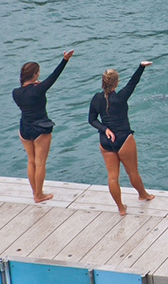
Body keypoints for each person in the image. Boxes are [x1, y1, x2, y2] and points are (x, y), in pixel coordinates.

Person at [88, 62, 155, 216]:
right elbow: (133, 82)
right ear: (116, 83)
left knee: (112, 177)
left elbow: (92, 120)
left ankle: (120, 208)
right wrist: (141, 67)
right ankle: (143, 194)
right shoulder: (120, 97)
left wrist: (105, 129)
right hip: (123, 138)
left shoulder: (96, 98)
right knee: (132, 172)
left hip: (105, 141)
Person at [13, 49, 74, 203]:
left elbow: (27, 93)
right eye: (38, 72)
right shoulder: (38, 89)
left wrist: (34, 86)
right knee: (40, 163)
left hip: (24, 129)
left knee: (30, 161)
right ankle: (39, 195)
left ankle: (35, 192)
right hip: (40, 128)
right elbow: (54, 76)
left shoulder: (16, 92)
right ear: (34, 74)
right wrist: (65, 60)